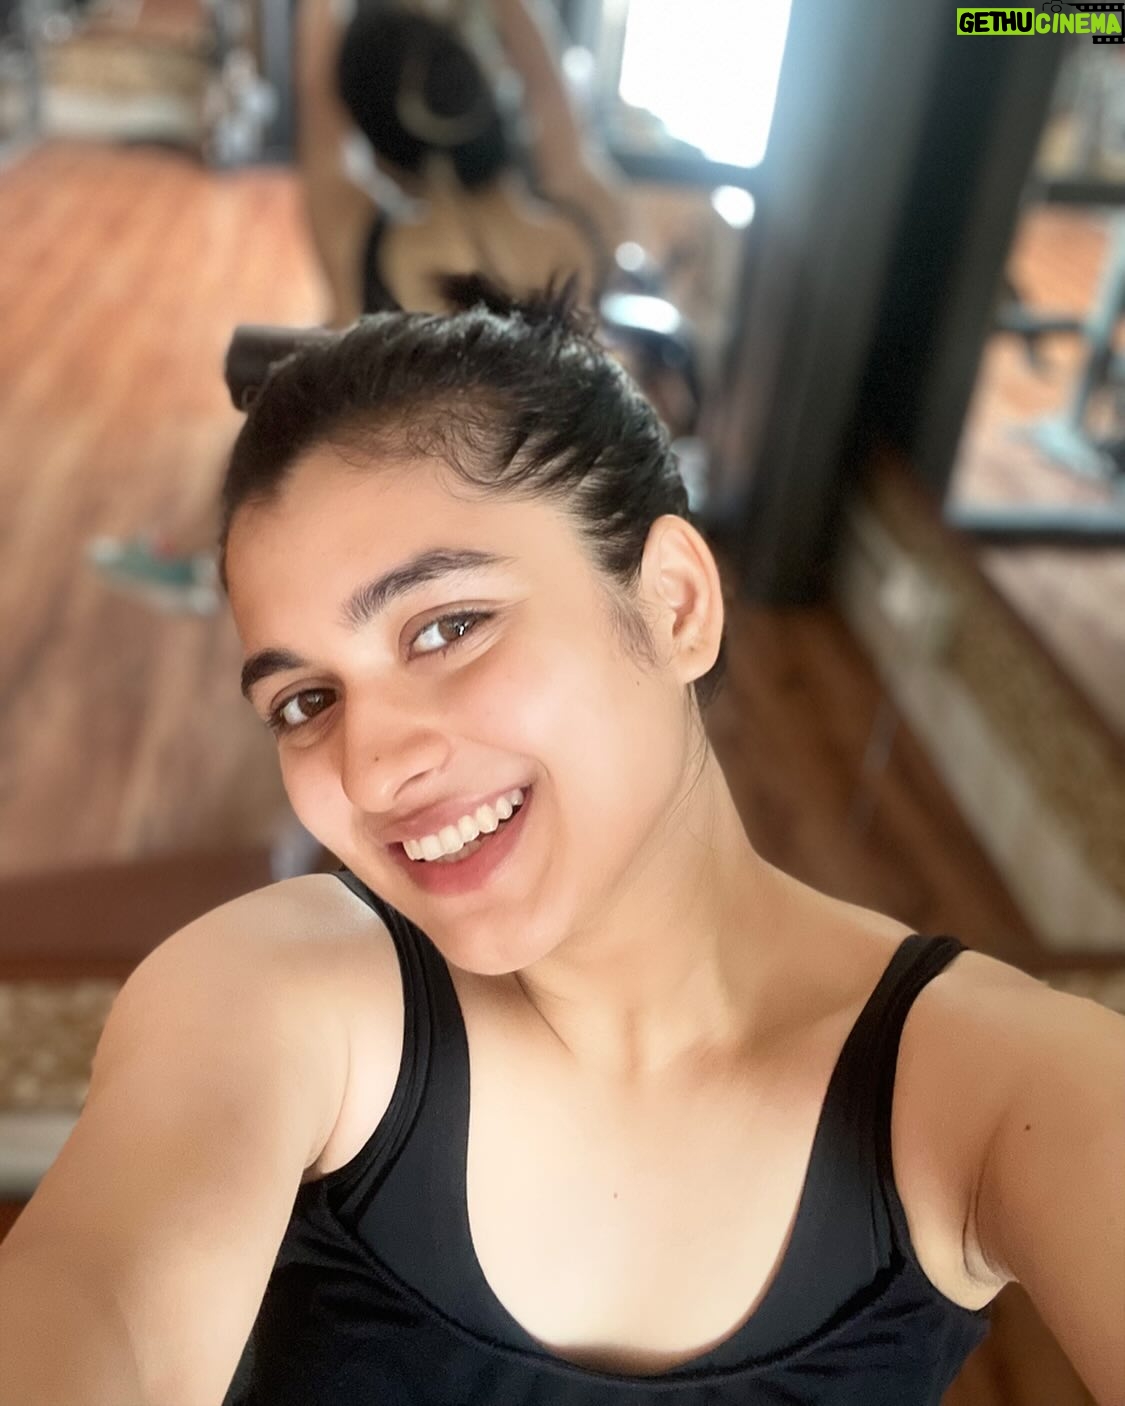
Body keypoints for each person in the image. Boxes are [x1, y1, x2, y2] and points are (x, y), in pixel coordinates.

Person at [6, 283, 1122, 1406]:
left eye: (448, 626)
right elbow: (101, 1300)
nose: (371, 769)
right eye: (305, 700)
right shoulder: (271, 994)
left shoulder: (999, 1090)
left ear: (676, 604)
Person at [88, 0, 629, 612]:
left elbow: (315, 94)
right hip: (576, 530)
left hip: (428, 554)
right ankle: (192, 548)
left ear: (374, 139)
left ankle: (193, 553)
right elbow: (550, 86)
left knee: (301, 377)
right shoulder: (592, 215)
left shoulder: (364, 248)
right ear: (486, 96)